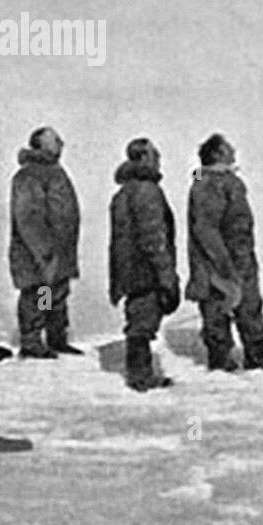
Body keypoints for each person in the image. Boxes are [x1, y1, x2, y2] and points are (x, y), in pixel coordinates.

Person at [185, 133, 263, 371]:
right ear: (218, 153)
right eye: (228, 148)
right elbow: (206, 229)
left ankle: (256, 354)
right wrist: (224, 266)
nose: (234, 151)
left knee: (249, 306)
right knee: (217, 309)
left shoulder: (223, 180)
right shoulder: (210, 183)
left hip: (240, 260)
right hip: (220, 263)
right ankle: (220, 360)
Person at [108, 138, 179, 392]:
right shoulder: (147, 191)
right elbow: (153, 238)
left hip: (131, 271)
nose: (158, 157)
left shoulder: (125, 192)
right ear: (142, 158)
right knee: (142, 324)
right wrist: (166, 276)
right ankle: (140, 375)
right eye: (153, 154)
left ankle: (140, 372)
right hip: (145, 272)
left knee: (139, 320)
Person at [9, 126, 81, 359]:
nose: (62, 143)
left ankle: (56, 338)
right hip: (37, 254)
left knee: (56, 293)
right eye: (56, 140)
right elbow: (28, 216)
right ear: (40, 145)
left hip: (58, 253)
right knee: (40, 292)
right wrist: (44, 250)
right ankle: (32, 342)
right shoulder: (29, 175)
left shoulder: (54, 172)